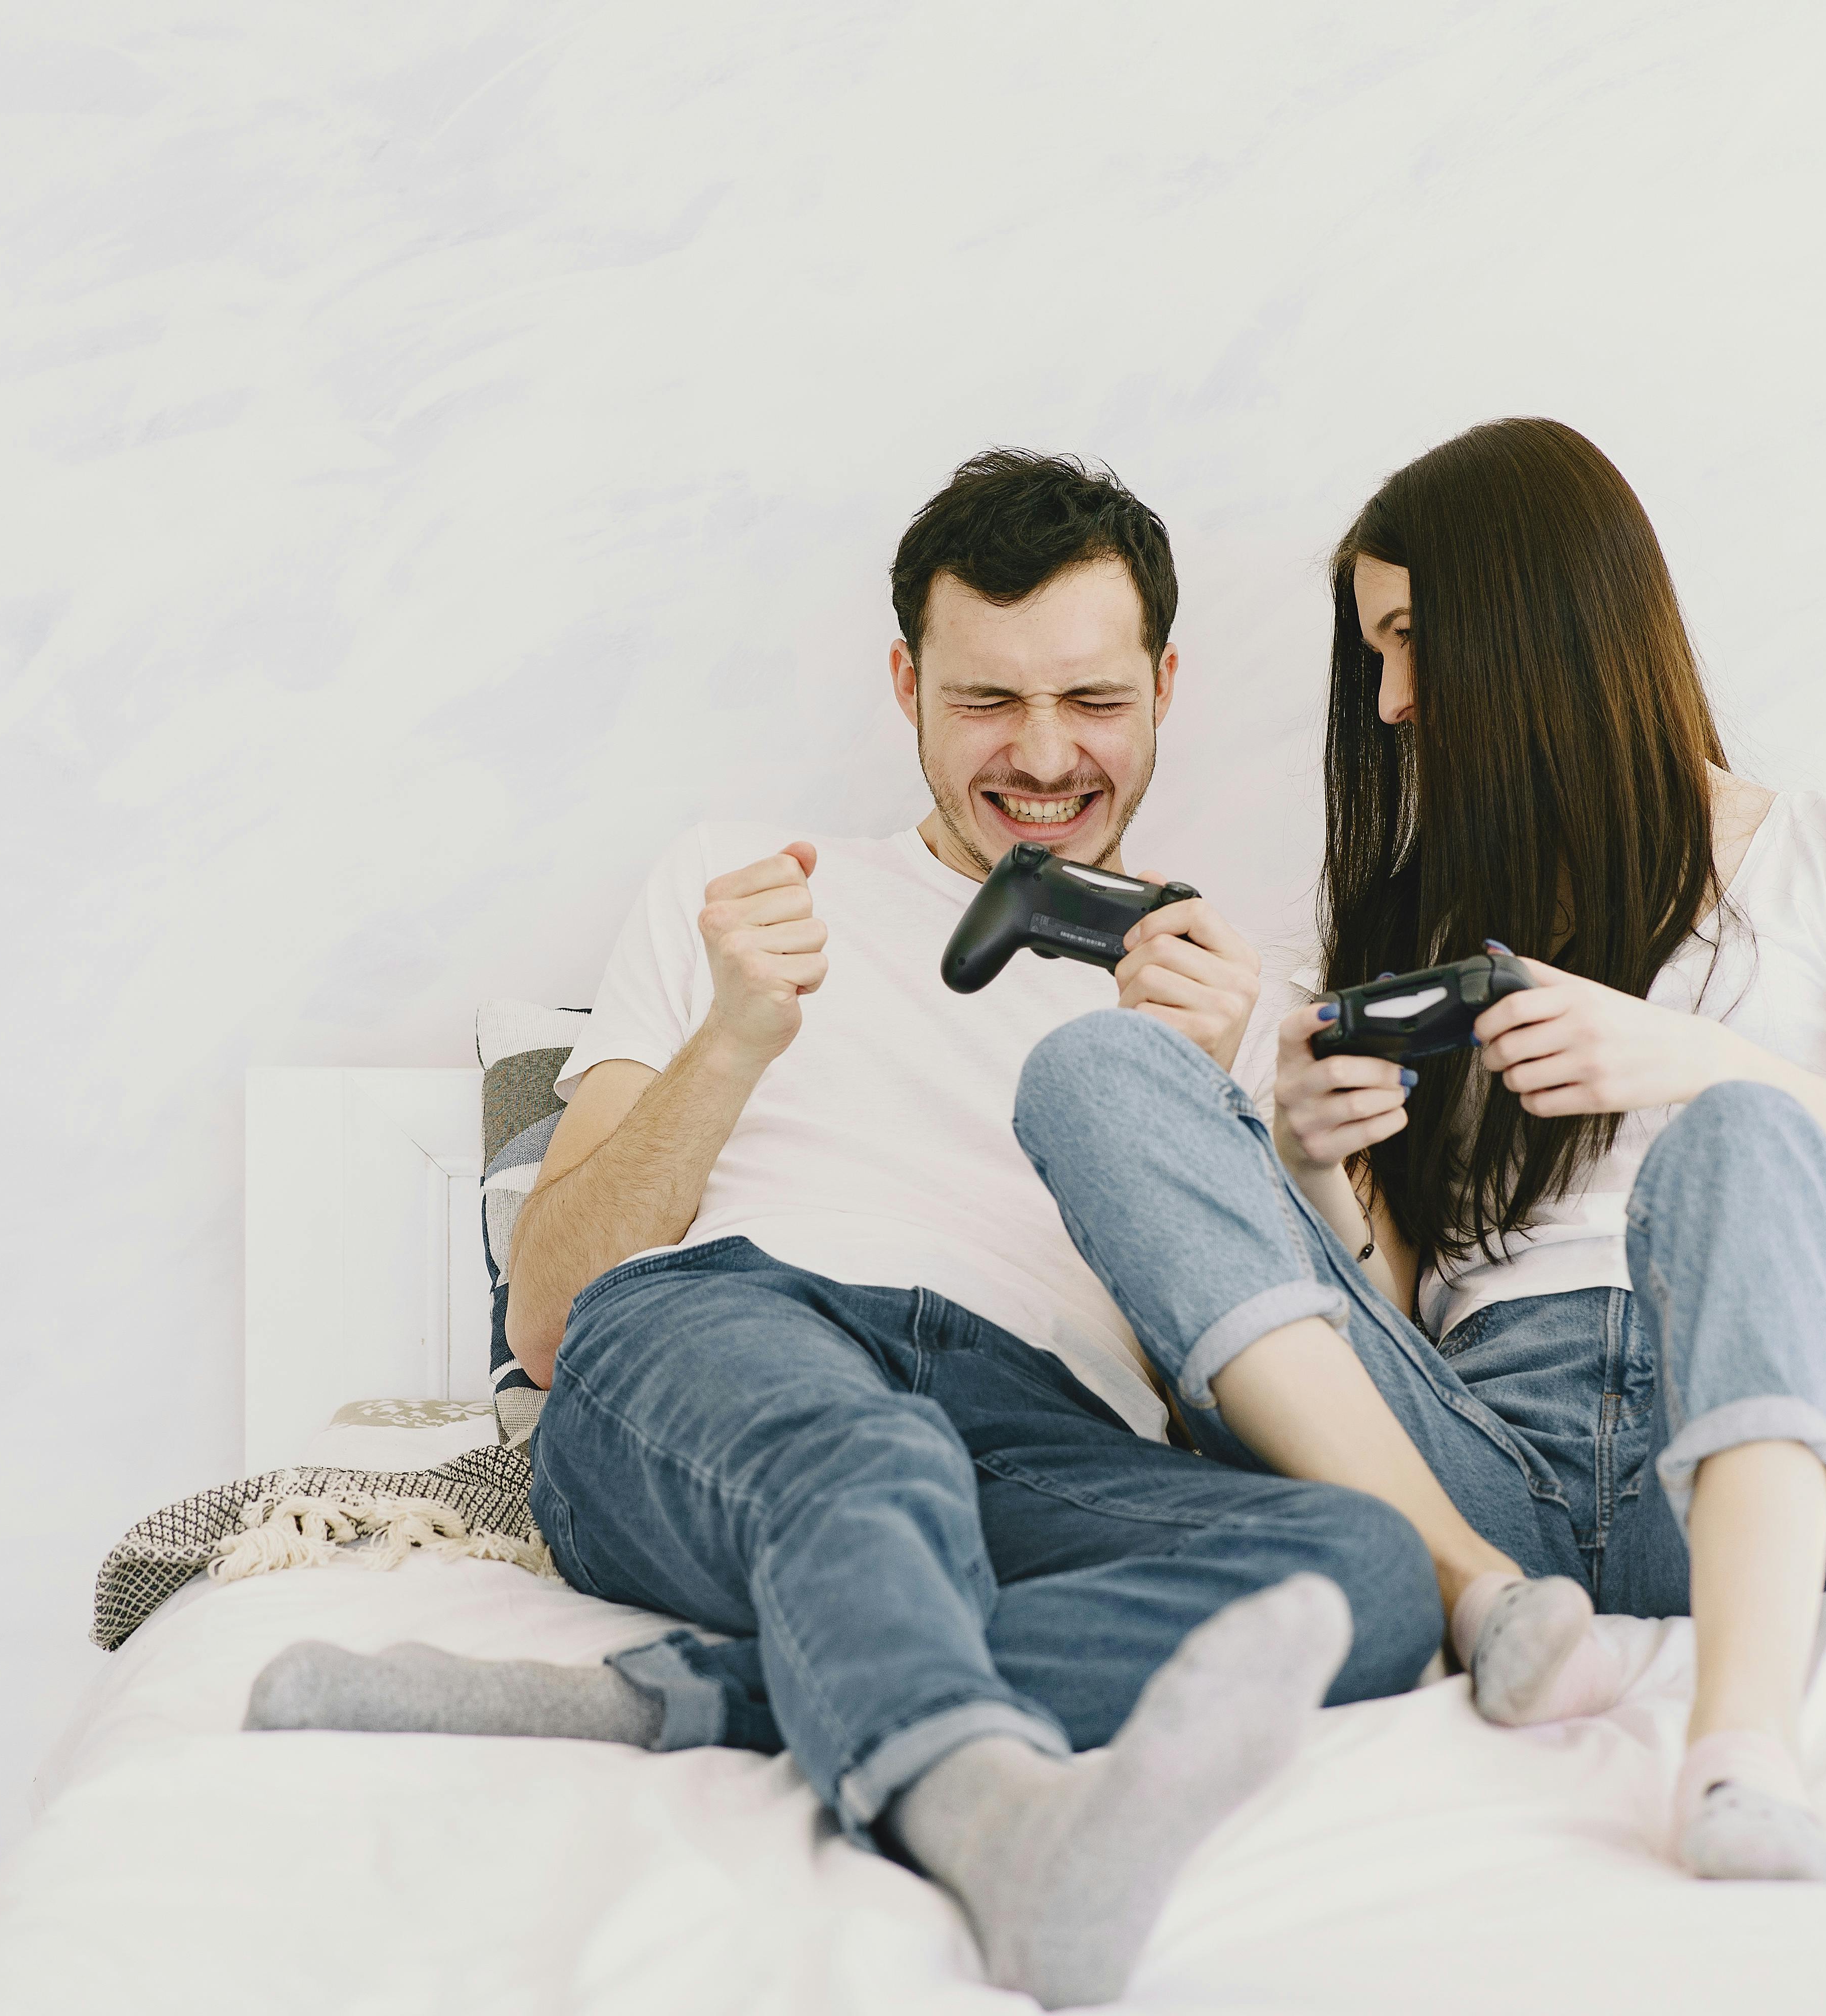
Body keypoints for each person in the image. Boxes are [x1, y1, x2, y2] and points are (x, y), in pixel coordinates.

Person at [240, 450, 1443, 2010]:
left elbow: (1339, 1395)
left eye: (1091, 699)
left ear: (1165, 683)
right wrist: (736, 1034)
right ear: (904, 684)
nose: (1043, 754)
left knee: (1368, 1570)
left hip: (1039, 1427)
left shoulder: (1243, 993)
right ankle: (995, 1827)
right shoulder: (740, 900)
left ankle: (681, 1695)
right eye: (985, 702)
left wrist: (1213, 1117)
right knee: (872, 1455)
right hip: (733, 1342)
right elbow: (551, 1308)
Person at [1011, 417, 1826, 1882]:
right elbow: (1400, 1309)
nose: (1394, 701)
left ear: (1535, 623)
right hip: (1489, 1482)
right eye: (1378, 657)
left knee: (1737, 1134)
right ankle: (1474, 1597)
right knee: (1098, 1068)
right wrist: (1316, 1166)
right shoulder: (1409, 927)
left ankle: (1740, 1751)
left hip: (1775, 1455)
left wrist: (1689, 1059)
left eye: (1414, 641)